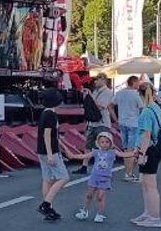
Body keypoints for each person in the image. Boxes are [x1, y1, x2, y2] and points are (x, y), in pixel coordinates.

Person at [69, 131, 138, 223]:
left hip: (105, 177)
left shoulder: (113, 152)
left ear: (110, 143)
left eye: (107, 142)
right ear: (98, 143)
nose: (104, 144)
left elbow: (123, 155)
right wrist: (73, 156)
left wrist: (135, 153)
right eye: (102, 142)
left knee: (100, 196)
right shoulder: (96, 152)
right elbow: (84, 156)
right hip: (94, 176)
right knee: (89, 195)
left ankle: (100, 214)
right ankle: (84, 211)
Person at [131, 83, 161, 228]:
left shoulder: (146, 112)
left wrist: (141, 153)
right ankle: (148, 213)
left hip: (148, 149)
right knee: (146, 184)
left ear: (140, 95)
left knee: (150, 185)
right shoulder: (156, 108)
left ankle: (154, 217)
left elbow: (146, 134)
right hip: (154, 147)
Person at [36, 88, 67, 221]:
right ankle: (46, 204)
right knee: (63, 177)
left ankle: (49, 208)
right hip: (50, 151)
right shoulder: (51, 115)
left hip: (41, 150)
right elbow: (47, 134)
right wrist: (50, 154)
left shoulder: (44, 113)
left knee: (47, 179)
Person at [76, 75, 115, 175]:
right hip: (92, 123)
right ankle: (84, 166)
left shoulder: (107, 92)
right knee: (88, 145)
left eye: (97, 80)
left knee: (103, 145)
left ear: (103, 80)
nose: (95, 82)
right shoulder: (96, 91)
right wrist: (86, 97)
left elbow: (101, 106)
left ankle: (104, 165)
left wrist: (90, 96)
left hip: (102, 122)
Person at [113, 76, 144, 182]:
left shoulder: (119, 93)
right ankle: (129, 173)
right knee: (131, 150)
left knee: (126, 149)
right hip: (133, 123)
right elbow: (142, 108)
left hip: (122, 122)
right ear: (134, 82)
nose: (138, 85)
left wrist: (115, 118)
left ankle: (127, 171)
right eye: (138, 83)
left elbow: (110, 105)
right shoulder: (135, 95)